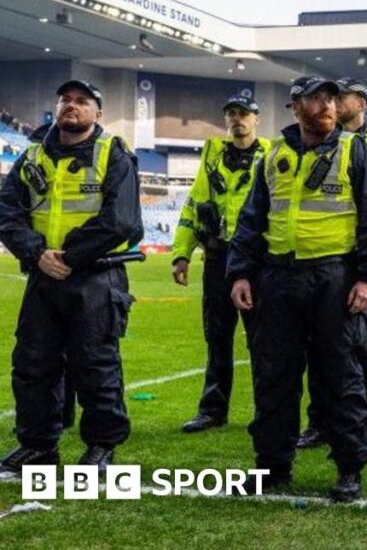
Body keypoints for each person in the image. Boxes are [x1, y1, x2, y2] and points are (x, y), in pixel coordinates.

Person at [226, 76, 367, 502]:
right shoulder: (275, 154)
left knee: (340, 375)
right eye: (315, 98)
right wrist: (240, 273)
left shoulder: (355, 151)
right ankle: (272, 466)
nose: (325, 105)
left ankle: (349, 468)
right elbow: (252, 218)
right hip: (278, 279)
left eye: (330, 98)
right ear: (294, 106)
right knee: (273, 377)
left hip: (334, 279)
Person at [0, 80, 143, 474]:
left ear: (98, 112)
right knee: (32, 364)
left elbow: (122, 221)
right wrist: (36, 254)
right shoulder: (32, 156)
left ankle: (101, 445)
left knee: (96, 365)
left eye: (82, 101)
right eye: (66, 100)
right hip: (44, 277)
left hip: (96, 278)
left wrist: (68, 257)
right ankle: (38, 446)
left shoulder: (113, 153)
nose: (72, 106)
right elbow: (6, 211)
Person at [296, 78, 367, 454]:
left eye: (344, 96)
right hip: (328, 265)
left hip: (363, 260)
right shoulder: (320, 141)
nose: (335, 102)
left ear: (364, 102)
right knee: (319, 347)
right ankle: (319, 421)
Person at [172, 95, 271, 433]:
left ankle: (266, 411)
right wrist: (181, 254)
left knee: (261, 340)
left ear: (256, 118)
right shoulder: (212, 154)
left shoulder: (271, 155)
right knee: (217, 337)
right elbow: (194, 205)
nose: (236, 119)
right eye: (230, 113)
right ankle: (213, 410)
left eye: (243, 113)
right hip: (216, 259)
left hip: (256, 261)